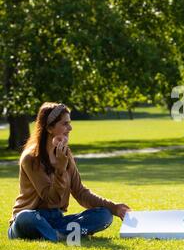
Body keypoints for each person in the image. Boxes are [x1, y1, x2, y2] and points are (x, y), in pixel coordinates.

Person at [8, 102, 131, 242]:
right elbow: (51, 199)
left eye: (69, 123)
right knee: (26, 217)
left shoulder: (66, 153)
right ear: (49, 128)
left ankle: (55, 234)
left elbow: (80, 192)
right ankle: (62, 235)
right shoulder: (31, 158)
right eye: (65, 124)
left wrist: (114, 208)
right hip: (30, 220)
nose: (70, 128)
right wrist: (60, 169)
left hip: (57, 220)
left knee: (104, 215)